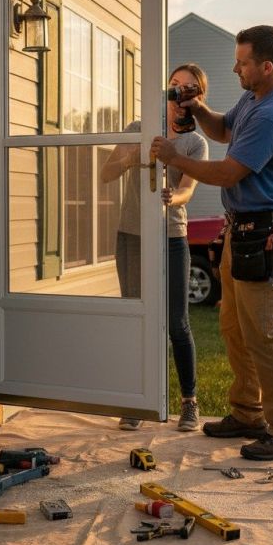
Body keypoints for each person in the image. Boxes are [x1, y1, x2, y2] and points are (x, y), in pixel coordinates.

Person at [150, 26, 273, 461]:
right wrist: (195, 106)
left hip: (263, 232)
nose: (235, 67)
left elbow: (228, 171)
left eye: (242, 62)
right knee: (235, 328)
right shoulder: (253, 98)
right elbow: (221, 130)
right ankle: (248, 413)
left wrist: (176, 159)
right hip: (241, 231)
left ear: (267, 66)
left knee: (266, 336)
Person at [101, 64, 209, 432]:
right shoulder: (137, 129)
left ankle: (189, 403)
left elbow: (188, 189)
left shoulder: (196, 142)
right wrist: (133, 157)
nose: (179, 93)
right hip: (131, 234)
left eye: (189, 88)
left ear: (198, 98)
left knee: (177, 323)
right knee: (136, 318)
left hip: (171, 238)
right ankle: (137, 401)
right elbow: (106, 173)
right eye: (174, 85)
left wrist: (172, 197)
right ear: (165, 90)